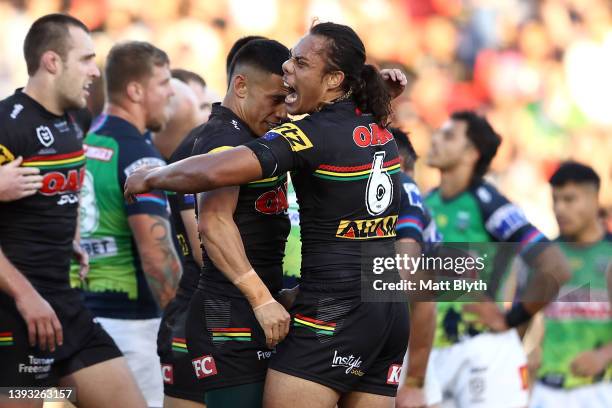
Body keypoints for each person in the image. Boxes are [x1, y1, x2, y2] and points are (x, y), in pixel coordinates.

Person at [125, 22, 412, 408]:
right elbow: (210, 225)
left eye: (300, 63)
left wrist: (153, 176)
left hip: (328, 311)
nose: (288, 69)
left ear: (333, 80)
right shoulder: (377, 126)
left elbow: (211, 175)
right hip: (384, 309)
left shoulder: (308, 134)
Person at [0, 13, 146, 408]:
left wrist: (72, 238)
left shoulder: (76, 118)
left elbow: (59, 194)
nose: (95, 72)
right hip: (15, 312)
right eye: (85, 59)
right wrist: (26, 296)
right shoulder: (7, 124)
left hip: (65, 305)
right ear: (52, 61)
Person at [423, 111, 571, 407]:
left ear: (471, 153)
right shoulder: (425, 203)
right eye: (438, 132)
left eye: (449, 135)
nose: (435, 139)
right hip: (430, 352)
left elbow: (555, 266)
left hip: (481, 352)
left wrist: (512, 317)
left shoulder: (490, 204)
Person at [71, 41, 180, 407]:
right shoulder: (138, 155)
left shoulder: (84, 141)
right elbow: (156, 257)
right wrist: (180, 331)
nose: (171, 95)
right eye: (164, 83)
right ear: (135, 90)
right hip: (133, 326)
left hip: (85, 316)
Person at [526, 162, 611, 407]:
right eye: (555, 200)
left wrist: (602, 355)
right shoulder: (547, 257)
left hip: (600, 389)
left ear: (595, 199)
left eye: (570, 199)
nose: (560, 209)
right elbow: (529, 316)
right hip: (547, 391)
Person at [152, 77, 207, 408]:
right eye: (200, 107)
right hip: (188, 315)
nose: (207, 117)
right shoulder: (192, 157)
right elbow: (204, 252)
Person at [392, 128, 441, 408]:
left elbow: (420, 293)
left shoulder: (404, 187)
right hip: (402, 340)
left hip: (401, 347)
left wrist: (413, 381)